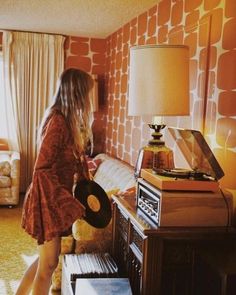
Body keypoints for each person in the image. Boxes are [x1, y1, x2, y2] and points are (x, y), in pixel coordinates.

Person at [16, 68, 94, 295]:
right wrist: (67, 204)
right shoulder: (58, 121)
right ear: (76, 93)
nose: (88, 99)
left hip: (53, 200)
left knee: (45, 261)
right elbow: (42, 169)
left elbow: (74, 163)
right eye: (86, 93)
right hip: (47, 200)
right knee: (49, 264)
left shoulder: (65, 120)